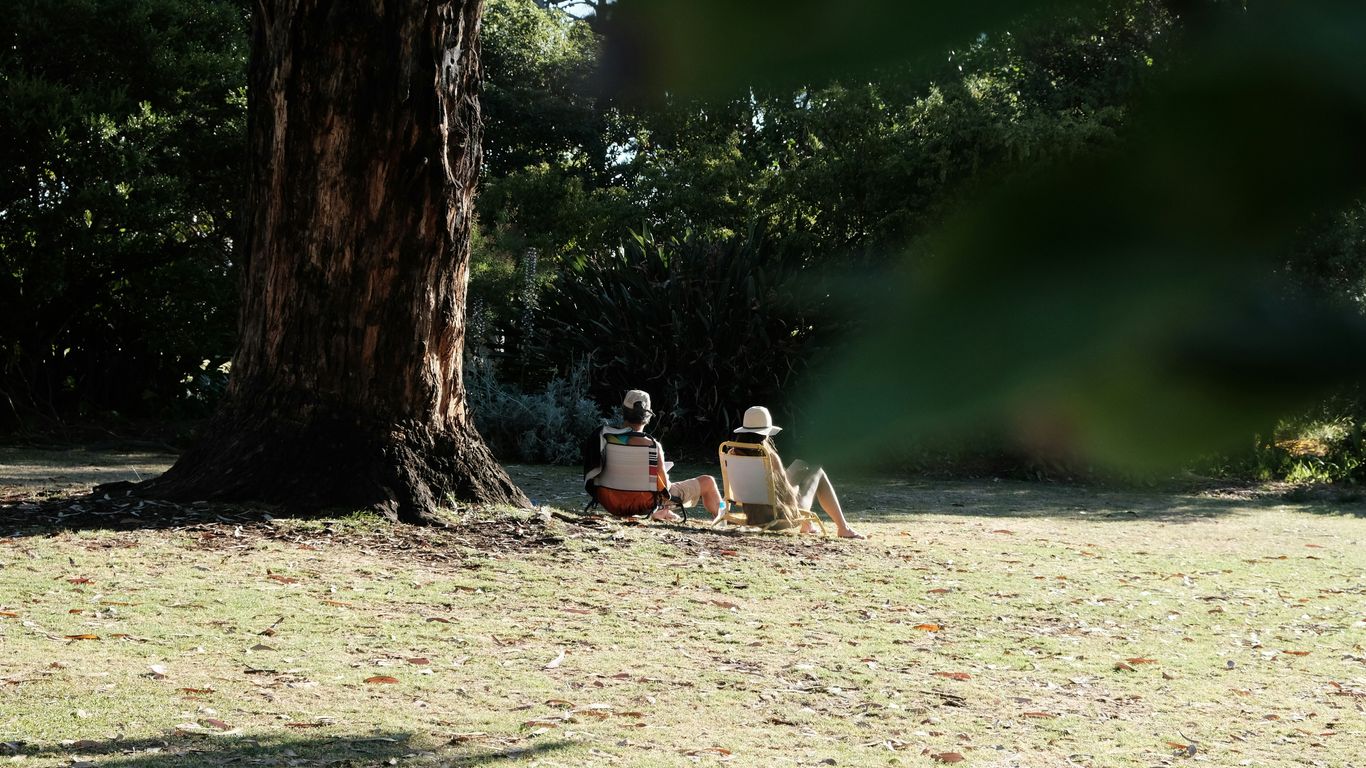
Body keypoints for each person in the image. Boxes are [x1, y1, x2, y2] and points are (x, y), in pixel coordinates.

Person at [728, 405, 864, 539]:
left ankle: (808, 525)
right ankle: (843, 528)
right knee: (818, 471)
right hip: (779, 519)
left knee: (800, 464)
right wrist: (797, 486)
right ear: (766, 432)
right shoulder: (769, 457)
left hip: (754, 517)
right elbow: (788, 496)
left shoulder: (732, 454)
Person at [586, 390, 722, 523]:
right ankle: (722, 518)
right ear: (648, 416)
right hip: (643, 502)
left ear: (624, 412)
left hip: (610, 501)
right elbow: (665, 488)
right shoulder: (652, 445)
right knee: (708, 481)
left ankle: (662, 511)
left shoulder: (604, 438)